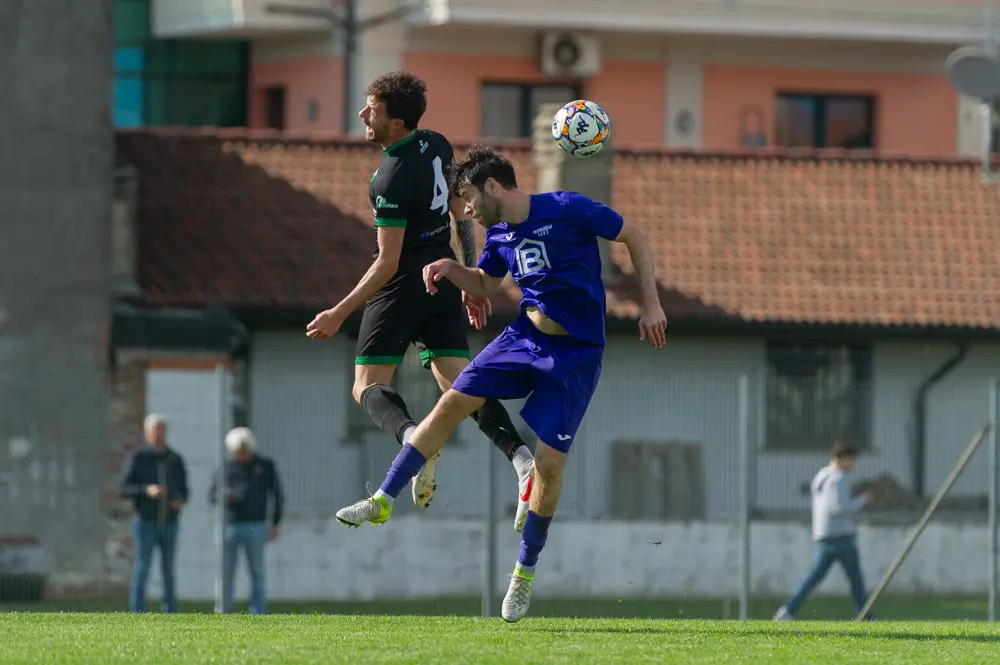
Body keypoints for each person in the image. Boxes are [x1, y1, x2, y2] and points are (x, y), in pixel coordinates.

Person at [334, 145, 668, 623]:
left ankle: (523, 573)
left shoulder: (567, 207)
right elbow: (487, 285)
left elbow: (633, 235)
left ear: (492, 186)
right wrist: (451, 269)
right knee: (452, 401)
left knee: (549, 467)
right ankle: (383, 499)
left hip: (575, 355)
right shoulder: (499, 235)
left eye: (468, 197)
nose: (466, 209)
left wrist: (651, 305)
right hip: (522, 339)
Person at [305, 71, 534, 529]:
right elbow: (460, 213)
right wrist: (469, 278)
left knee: (366, 385)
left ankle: (414, 441)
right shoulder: (437, 144)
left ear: (397, 122)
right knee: (461, 388)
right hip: (442, 279)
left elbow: (387, 263)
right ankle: (523, 460)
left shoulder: (388, 178)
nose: (363, 114)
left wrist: (338, 312)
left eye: (372, 110)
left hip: (402, 288)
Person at [773, 442, 875, 621]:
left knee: (813, 577)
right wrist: (862, 500)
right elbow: (839, 507)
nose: (852, 465)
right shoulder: (838, 478)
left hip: (822, 535)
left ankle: (787, 610)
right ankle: (864, 615)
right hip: (840, 537)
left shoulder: (821, 476)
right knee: (855, 578)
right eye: (852, 460)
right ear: (843, 458)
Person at [209, 427, 284, 615]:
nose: (241, 455)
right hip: (230, 526)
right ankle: (223, 610)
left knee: (257, 571)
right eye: (237, 452)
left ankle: (258, 611)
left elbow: (277, 494)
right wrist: (225, 496)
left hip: (256, 525)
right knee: (225, 572)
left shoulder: (265, 466)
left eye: (244, 451)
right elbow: (212, 495)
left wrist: (275, 522)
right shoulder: (226, 467)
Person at [119, 414, 188, 613]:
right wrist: (146, 490)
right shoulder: (138, 457)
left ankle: (170, 610)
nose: (158, 433)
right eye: (154, 429)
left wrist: (179, 499)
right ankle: (138, 610)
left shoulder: (174, 459)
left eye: (161, 429)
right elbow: (124, 488)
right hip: (145, 521)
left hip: (169, 521)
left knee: (168, 569)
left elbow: (184, 490)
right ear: (147, 432)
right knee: (142, 567)